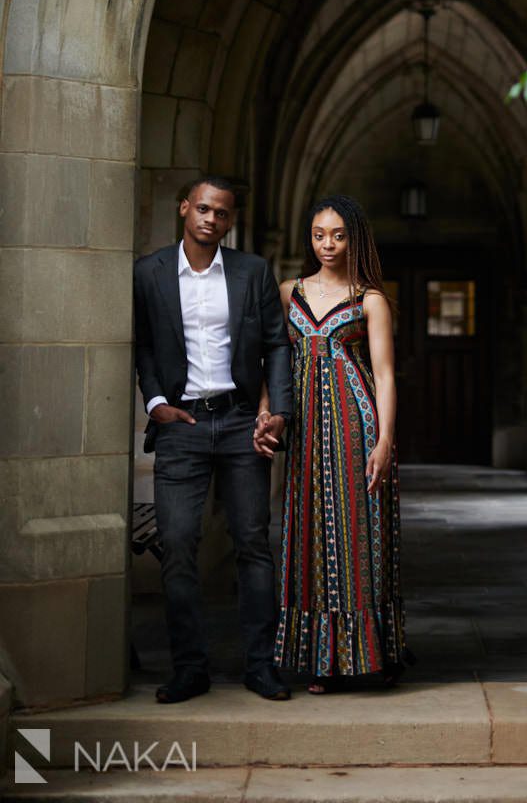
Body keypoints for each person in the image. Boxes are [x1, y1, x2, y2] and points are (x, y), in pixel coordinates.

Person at [133, 175, 293, 704]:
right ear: (185, 208)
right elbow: (145, 348)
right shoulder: (149, 272)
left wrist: (278, 411)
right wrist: (156, 405)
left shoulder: (252, 272)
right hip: (182, 426)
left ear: (229, 220)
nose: (210, 219)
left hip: (241, 420)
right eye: (202, 208)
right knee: (178, 546)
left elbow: (276, 344)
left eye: (221, 213)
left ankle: (260, 665)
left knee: (252, 545)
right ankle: (190, 668)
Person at [255, 193, 410, 692]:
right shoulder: (288, 292)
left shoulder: (370, 299)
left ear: (354, 238)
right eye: (320, 234)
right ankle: (323, 659)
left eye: (338, 235)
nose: (328, 244)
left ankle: (372, 654)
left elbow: (384, 376)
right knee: (309, 536)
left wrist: (385, 441)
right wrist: (265, 411)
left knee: (361, 535)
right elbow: (273, 362)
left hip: (355, 423)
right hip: (306, 433)